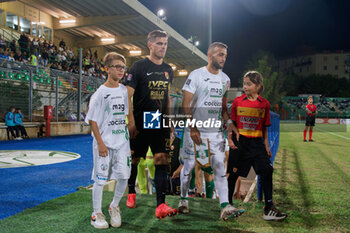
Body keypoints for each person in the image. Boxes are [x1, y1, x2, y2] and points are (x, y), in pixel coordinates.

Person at [179, 42, 244, 220]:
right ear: (210, 55)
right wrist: (192, 127)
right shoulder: (196, 75)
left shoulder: (226, 79)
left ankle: (225, 206)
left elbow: (223, 106)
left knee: (219, 166)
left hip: (215, 132)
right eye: (220, 55)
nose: (223, 58)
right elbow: (186, 103)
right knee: (189, 166)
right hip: (195, 131)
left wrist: (229, 122)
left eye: (225, 55)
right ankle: (183, 199)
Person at [125, 30, 178, 219]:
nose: (163, 47)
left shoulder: (168, 69)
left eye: (165, 44)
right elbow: (126, 96)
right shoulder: (138, 67)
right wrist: (130, 120)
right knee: (135, 159)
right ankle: (131, 192)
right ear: (150, 45)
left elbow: (168, 98)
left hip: (160, 120)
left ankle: (161, 205)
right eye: (159, 43)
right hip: (141, 121)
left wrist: (169, 121)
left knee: (161, 160)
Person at [227, 71, 287, 221]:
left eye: (249, 84)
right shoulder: (237, 101)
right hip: (240, 143)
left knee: (267, 170)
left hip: (257, 143)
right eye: (244, 83)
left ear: (258, 86)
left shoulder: (264, 104)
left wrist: (266, 146)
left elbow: (264, 127)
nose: (245, 87)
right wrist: (230, 139)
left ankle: (268, 208)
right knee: (233, 175)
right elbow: (232, 124)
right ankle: (228, 205)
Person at [85, 52, 131, 229]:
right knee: (100, 178)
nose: (121, 70)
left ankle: (114, 206)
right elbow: (93, 120)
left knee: (123, 176)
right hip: (104, 143)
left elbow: (124, 115)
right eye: (117, 67)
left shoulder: (123, 90)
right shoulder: (99, 94)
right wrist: (101, 143)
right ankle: (96, 213)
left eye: (123, 67)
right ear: (107, 69)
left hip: (122, 142)